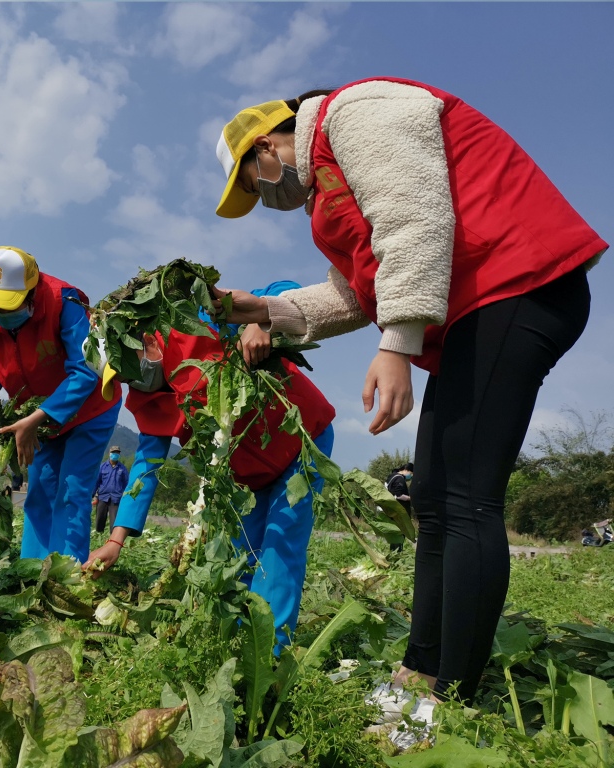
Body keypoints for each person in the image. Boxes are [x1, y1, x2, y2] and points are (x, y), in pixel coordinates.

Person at [211, 79, 606, 705]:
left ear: (267, 146)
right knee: (432, 496)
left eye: (251, 183)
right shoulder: (329, 189)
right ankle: (420, 669)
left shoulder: (358, 112)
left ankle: (449, 700)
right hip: (479, 309)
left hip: (516, 285)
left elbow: (415, 217)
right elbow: (349, 293)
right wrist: (252, 305)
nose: (265, 200)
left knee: (468, 499)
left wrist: (397, 345)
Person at [84, 281, 336, 654]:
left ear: (145, 342)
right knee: (239, 555)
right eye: (120, 380)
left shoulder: (199, 321)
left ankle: (268, 654)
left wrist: (262, 322)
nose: (127, 383)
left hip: (299, 440)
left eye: (125, 371)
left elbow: (286, 290)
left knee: (281, 545)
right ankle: (237, 645)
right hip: (243, 477)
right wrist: (115, 539)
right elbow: (146, 467)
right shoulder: (148, 399)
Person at [0, 246, 121, 563]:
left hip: (88, 411)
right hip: (37, 421)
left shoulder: (64, 303)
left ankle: (65, 578)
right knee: (39, 492)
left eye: (8, 305)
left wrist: (40, 416)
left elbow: (86, 369)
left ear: (32, 292)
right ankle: (32, 571)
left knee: (71, 491)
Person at [92, 446, 129, 534]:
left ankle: (111, 539)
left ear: (119, 455)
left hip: (116, 499)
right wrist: (92, 495)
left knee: (114, 521)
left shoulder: (122, 468)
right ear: (109, 453)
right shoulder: (102, 467)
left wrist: (126, 497)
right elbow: (96, 482)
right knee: (99, 519)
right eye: (113, 452)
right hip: (103, 497)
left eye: (117, 453)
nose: (115, 454)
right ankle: (98, 535)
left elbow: (126, 483)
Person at [386, 462, 415, 552]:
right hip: (398, 511)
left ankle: (394, 552)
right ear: (406, 470)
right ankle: (397, 553)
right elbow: (398, 495)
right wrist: (410, 498)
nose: (410, 476)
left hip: (391, 510)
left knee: (395, 535)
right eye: (411, 474)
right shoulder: (399, 479)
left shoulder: (392, 476)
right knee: (399, 534)